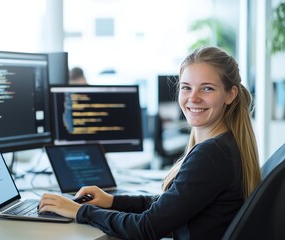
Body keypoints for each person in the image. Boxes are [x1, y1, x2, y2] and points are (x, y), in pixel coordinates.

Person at [38, 47, 261, 240]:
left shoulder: (211, 155)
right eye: (186, 87)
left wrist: (80, 211)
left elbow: (146, 228)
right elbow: (169, 206)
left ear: (230, 95)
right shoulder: (224, 145)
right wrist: (112, 201)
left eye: (207, 88)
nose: (193, 97)